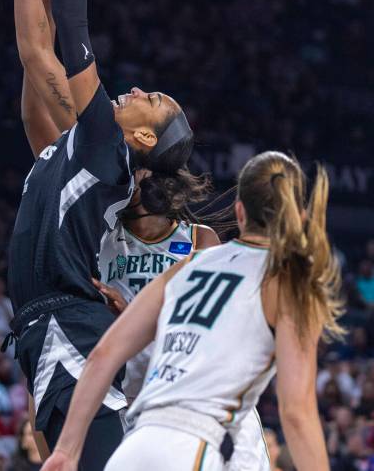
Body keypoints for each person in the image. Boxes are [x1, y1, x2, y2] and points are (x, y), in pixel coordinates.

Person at [0, 0, 208, 470]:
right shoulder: (71, 149)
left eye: (150, 98)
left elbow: (75, 36)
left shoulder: (108, 147)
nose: (134, 88)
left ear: (146, 136)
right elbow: (34, 51)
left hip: (64, 327)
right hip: (50, 328)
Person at [40, 151, 344, 471]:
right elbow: (296, 411)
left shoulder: (191, 265)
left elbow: (103, 355)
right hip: (199, 443)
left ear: (240, 213)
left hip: (135, 444)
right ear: (302, 217)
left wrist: (66, 451)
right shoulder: (290, 281)